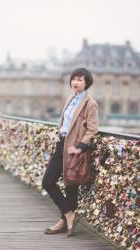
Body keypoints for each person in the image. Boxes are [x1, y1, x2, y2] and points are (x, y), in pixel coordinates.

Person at [42, 68, 99, 237]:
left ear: (87, 82)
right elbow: (65, 123)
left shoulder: (90, 104)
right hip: (62, 145)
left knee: (70, 185)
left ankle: (64, 220)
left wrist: (80, 146)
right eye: (74, 79)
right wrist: (59, 133)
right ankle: (69, 215)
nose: (75, 82)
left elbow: (93, 129)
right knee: (48, 182)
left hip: (75, 149)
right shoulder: (70, 98)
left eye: (80, 80)